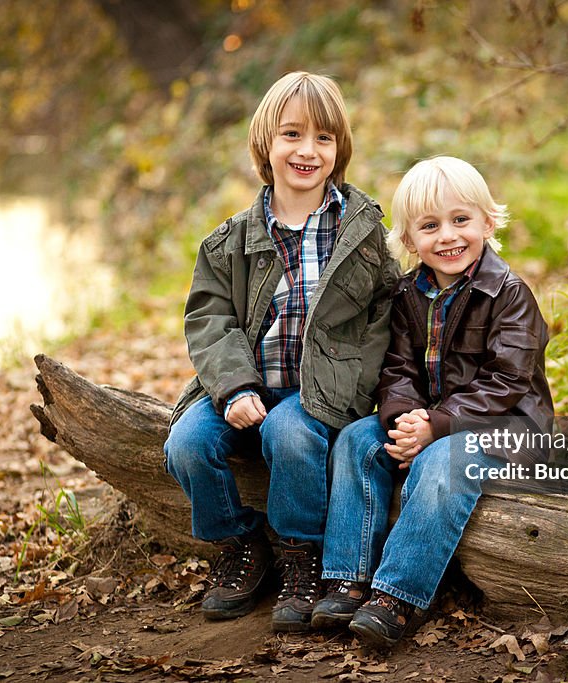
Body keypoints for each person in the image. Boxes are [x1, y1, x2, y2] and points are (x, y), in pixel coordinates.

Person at [163, 72, 399, 633]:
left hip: (318, 390)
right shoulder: (230, 241)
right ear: (266, 145)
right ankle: (243, 544)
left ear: (339, 149)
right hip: (248, 379)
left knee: (289, 435)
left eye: (323, 138)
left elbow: (384, 319)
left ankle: (301, 556)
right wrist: (234, 387)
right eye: (292, 134)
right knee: (188, 443)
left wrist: (351, 392)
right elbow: (209, 319)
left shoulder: (361, 234)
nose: (307, 150)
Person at [311, 156, 554, 647]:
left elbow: (507, 381)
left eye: (460, 220)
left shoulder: (508, 294)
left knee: (444, 461)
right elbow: (397, 367)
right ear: (409, 241)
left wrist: (436, 426)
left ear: (487, 222)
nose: (448, 236)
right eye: (430, 226)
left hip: (506, 427)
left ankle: (399, 595)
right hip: (434, 420)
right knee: (358, 440)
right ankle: (347, 577)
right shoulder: (407, 296)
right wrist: (403, 420)